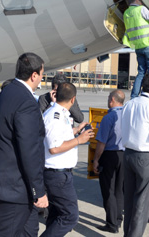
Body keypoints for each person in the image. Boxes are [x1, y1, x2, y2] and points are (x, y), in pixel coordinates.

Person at [0, 52, 49, 237]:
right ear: (34, 75)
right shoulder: (27, 102)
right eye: (41, 74)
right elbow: (29, 151)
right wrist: (39, 191)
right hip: (13, 188)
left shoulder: (7, 93)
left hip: (0, 182)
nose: (41, 78)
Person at [41, 82, 94, 236]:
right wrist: (79, 140)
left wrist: (76, 130)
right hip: (57, 174)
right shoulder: (55, 116)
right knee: (70, 216)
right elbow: (54, 147)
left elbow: (59, 135)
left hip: (60, 173)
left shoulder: (60, 113)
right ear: (73, 99)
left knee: (56, 214)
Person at [121, 72, 149, 237]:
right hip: (145, 158)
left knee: (130, 202)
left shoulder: (129, 104)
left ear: (142, 86)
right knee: (142, 204)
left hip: (128, 154)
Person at [92, 89, 126, 234]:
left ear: (112, 99)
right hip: (124, 155)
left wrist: (96, 160)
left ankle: (112, 224)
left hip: (110, 155)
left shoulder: (108, 118)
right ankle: (118, 218)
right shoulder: (127, 115)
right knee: (120, 189)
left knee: (108, 191)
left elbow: (102, 143)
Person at [122, 0, 149, 99]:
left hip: (138, 46)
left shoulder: (126, 13)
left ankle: (134, 96)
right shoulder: (141, 9)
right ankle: (147, 96)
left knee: (141, 72)